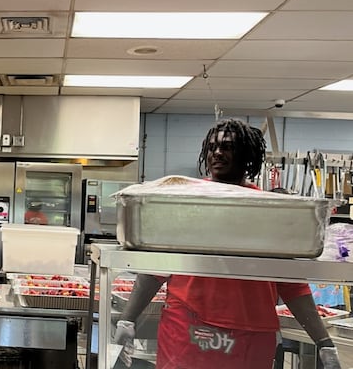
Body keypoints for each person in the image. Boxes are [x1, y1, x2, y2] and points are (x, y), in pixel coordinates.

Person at [113, 118, 341, 369]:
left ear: (247, 155)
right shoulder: (185, 203)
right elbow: (155, 269)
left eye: (228, 147)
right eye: (212, 147)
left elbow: (292, 285)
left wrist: (323, 341)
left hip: (251, 335)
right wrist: (127, 319)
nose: (217, 153)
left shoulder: (270, 210)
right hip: (189, 328)